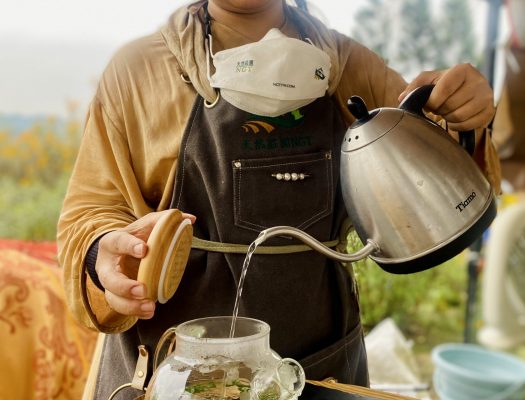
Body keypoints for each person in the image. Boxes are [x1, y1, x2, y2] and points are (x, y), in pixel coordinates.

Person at [58, 0, 501, 398]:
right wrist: (103, 253)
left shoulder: (347, 65)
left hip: (319, 375)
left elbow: (435, 171)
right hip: (176, 381)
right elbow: (90, 212)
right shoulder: (139, 72)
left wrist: (465, 117)